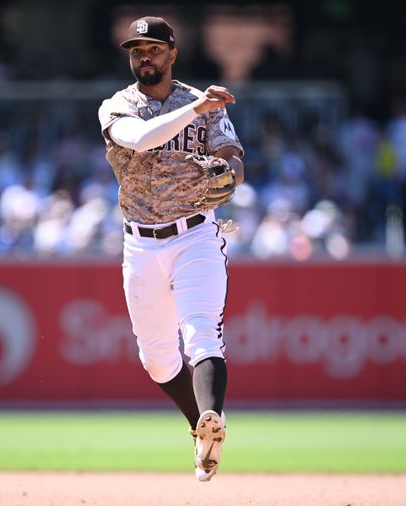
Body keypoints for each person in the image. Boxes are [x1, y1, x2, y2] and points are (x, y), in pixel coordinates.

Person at [98, 16, 245, 482]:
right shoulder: (116, 106)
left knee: (202, 331)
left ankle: (214, 417)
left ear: (172, 53)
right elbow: (142, 139)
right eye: (136, 49)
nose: (144, 56)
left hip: (195, 233)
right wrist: (196, 108)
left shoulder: (204, 103)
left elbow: (233, 157)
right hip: (140, 243)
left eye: (154, 48)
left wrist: (232, 175)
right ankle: (199, 431)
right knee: (157, 357)